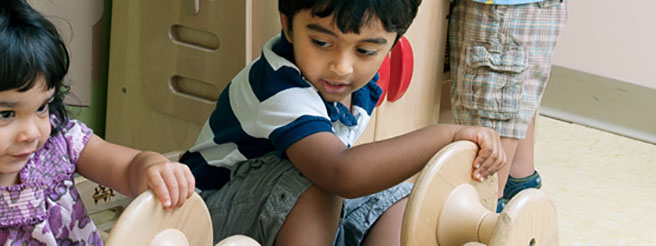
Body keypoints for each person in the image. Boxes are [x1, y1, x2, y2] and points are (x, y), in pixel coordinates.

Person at [179, 0, 507, 245]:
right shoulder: (278, 88)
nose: (341, 67)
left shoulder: (357, 84)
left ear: (393, 43)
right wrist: (445, 135)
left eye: (365, 50)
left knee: (401, 202)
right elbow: (341, 172)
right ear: (288, 25)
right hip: (208, 213)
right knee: (318, 183)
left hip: (284, 206)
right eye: (322, 43)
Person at [0, 0, 195, 245]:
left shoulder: (59, 143)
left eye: (41, 107)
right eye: (6, 114)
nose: (32, 132)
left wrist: (153, 169)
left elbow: (129, 168)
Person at [448, 0, 568, 211]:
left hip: (503, 11)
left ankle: (486, 211)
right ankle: (519, 181)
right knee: (513, 96)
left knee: (493, 111)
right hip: (525, 9)